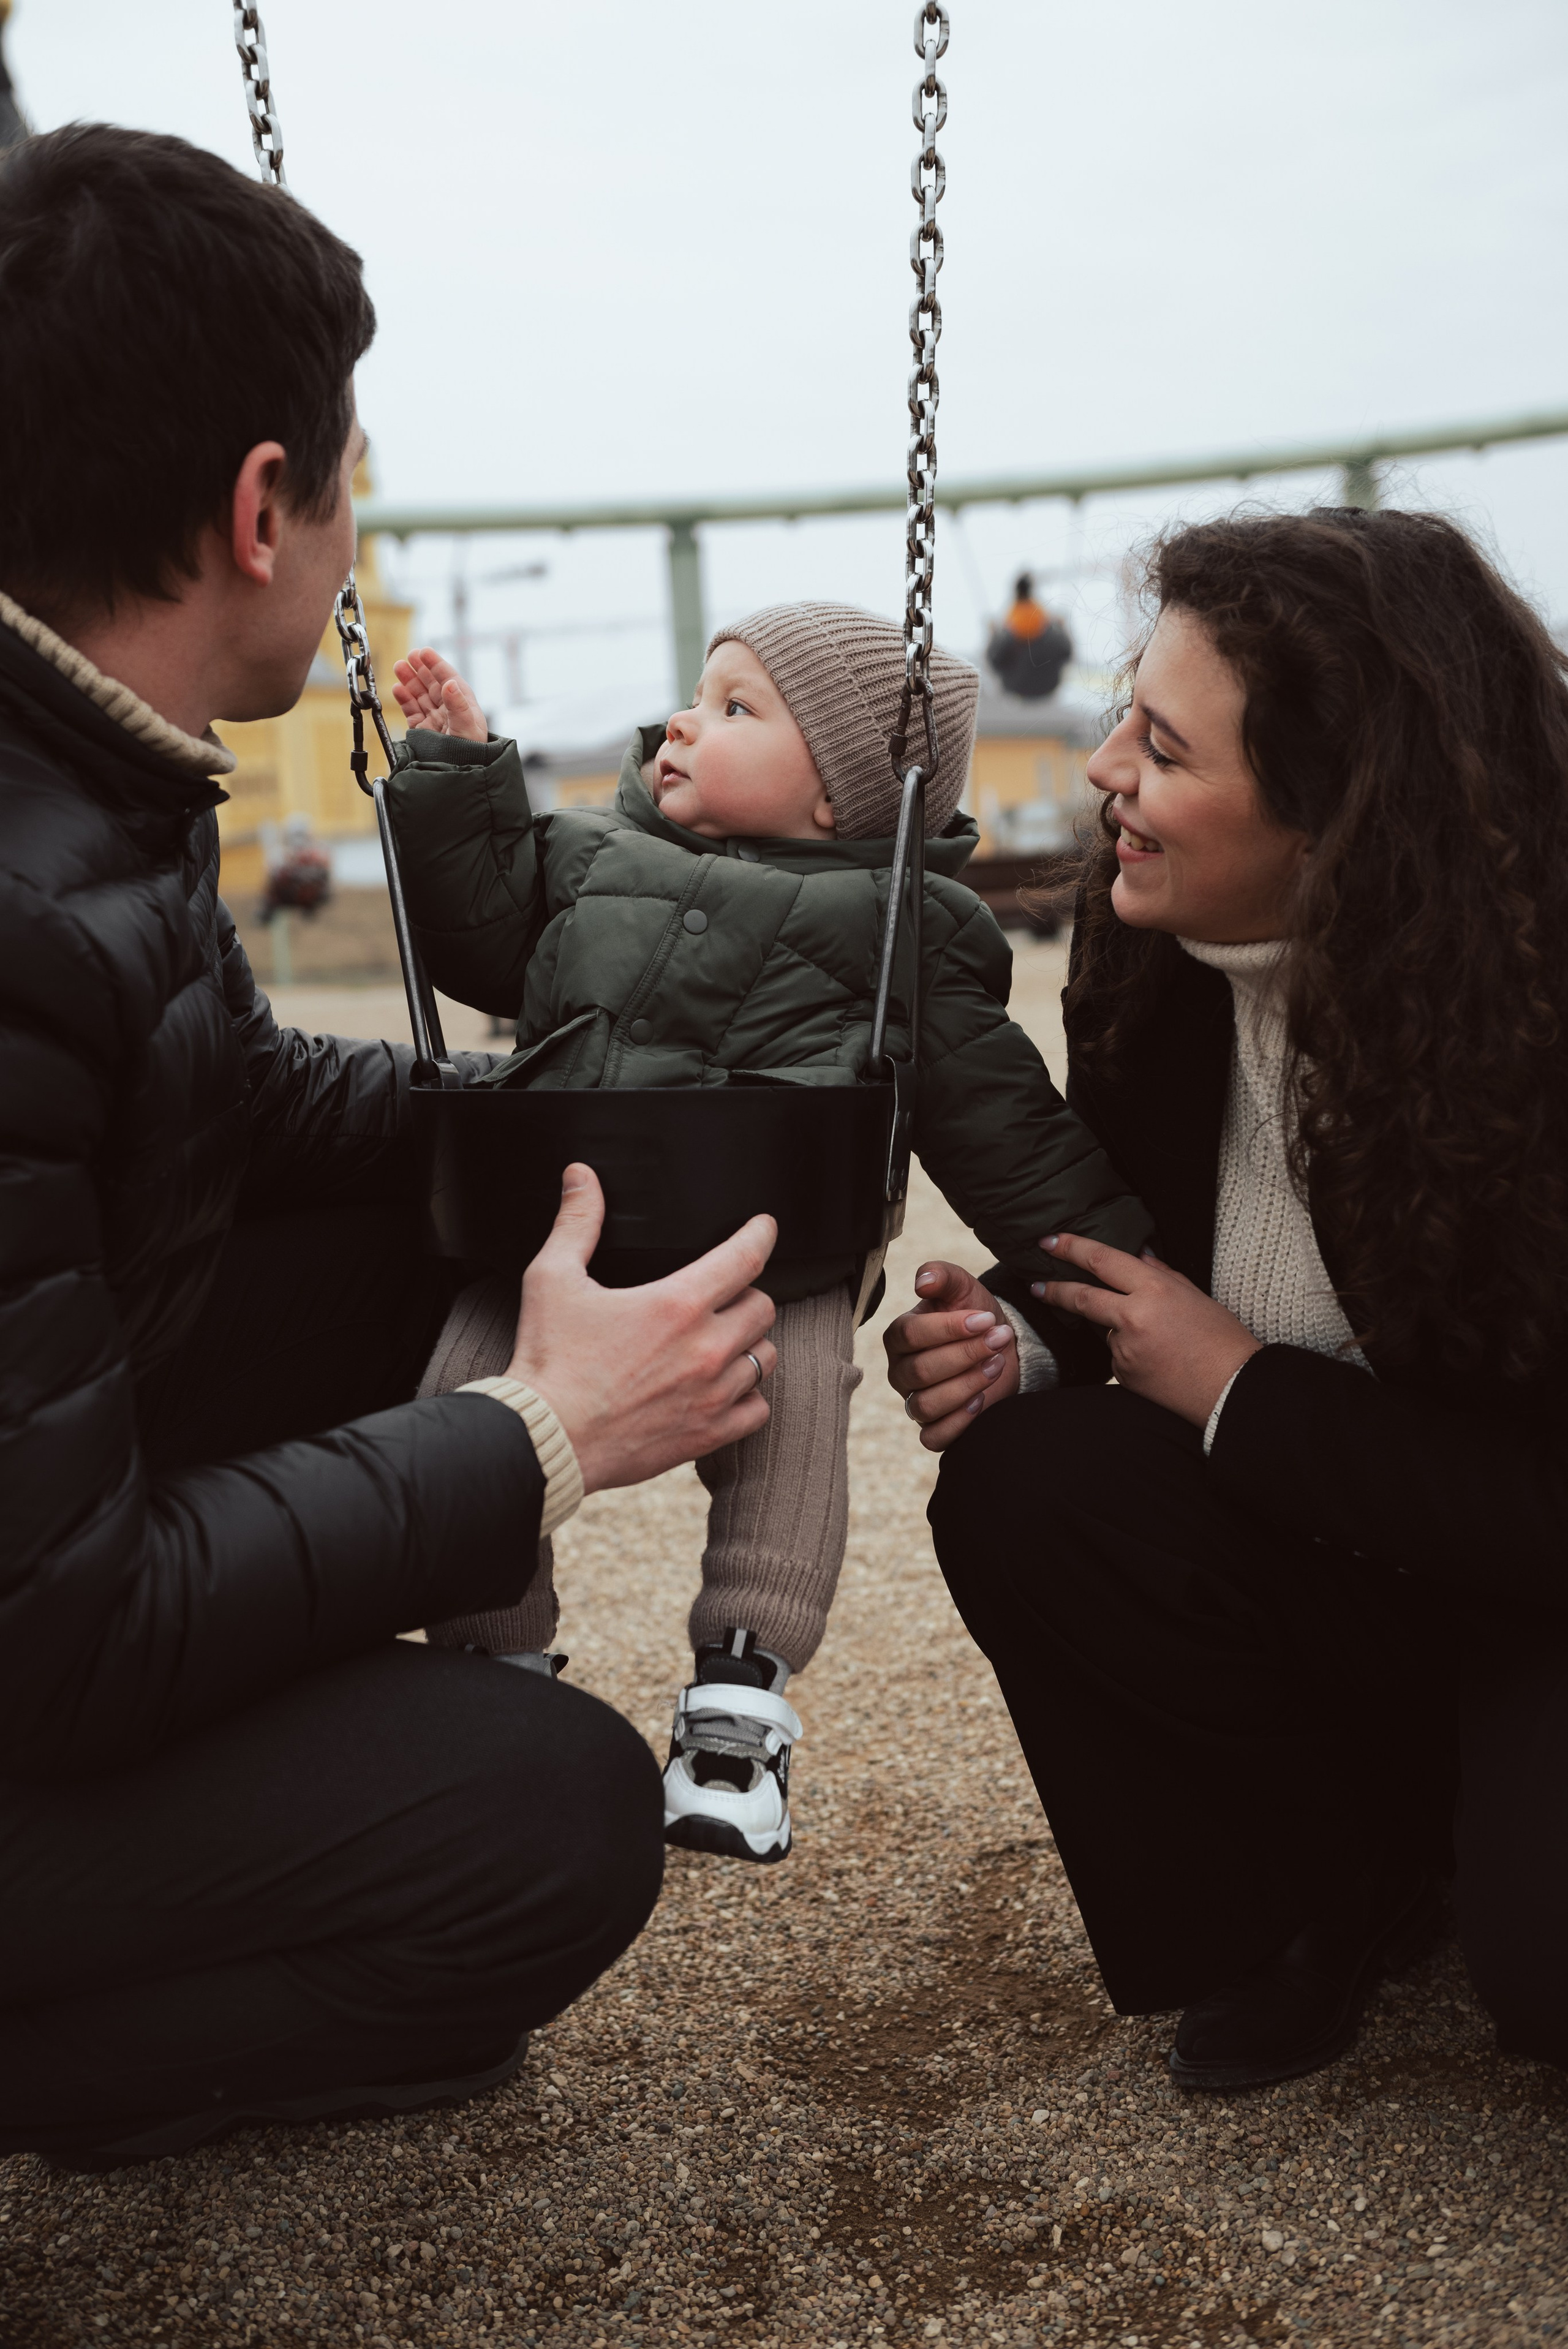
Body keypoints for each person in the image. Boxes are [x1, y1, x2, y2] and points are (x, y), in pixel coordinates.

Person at [0, 123, 781, 2173]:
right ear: (264, 509)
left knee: (398, 1228)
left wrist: (599, 1117)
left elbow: (244, 1106)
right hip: (32, 1632)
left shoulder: (85, 760)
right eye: (354, 486)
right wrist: (539, 1431)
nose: (356, 539)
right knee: (553, 1819)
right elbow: (61, 1635)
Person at [886, 506, 1568, 2090]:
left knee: (1546, 1970)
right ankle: (1314, 1901)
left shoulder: (1532, 1039)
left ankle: (1472, 1829)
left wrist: (1242, 1386)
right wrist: (1019, 1331)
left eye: (1167, 748)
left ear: (1339, 814)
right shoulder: (1157, 954)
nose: (1107, 767)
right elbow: (1133, 1237)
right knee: (1029, 1483)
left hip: (1532, 1587)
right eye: (1127, 707)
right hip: (1346, 1540)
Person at [380, 609, 1156, 1864]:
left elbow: (1003, 1124)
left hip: (768, 1243)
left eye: (737, 707)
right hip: (552, 1229)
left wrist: (1101, 1277)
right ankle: (495, 1678)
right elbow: (469, 935)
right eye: (697, 693)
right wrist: (463, 774)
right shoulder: (580, 855)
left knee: (791, 1414)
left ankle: (738, 1703)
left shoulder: (902, 929)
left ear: (843, 796)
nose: (684, 719)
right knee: (461, 1417)